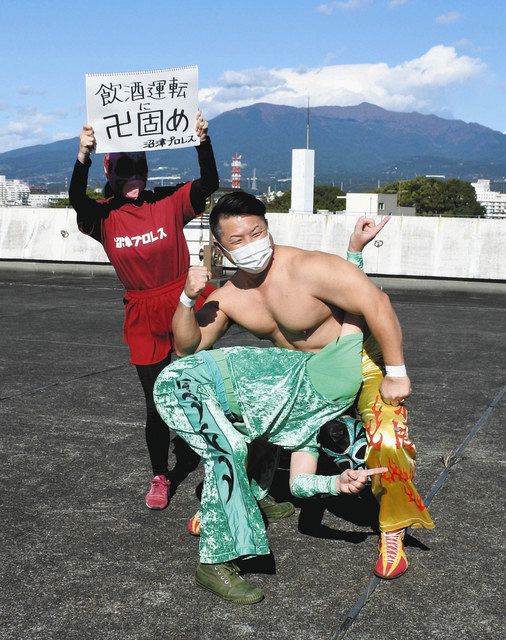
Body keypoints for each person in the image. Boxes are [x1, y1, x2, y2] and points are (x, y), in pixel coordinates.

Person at [172, 191, 435, 580]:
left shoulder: (309, 268)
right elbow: (186, 348)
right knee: (244, 415)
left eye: (256, 232)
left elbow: (376, 304)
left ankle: (393, 529)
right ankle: (235, 501)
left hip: (359, 361)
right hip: (302, 375)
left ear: (268, 229)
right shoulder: (228, 298)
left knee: (388, 439)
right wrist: (186, 298)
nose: (250, 244)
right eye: (238, 240)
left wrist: (396, 371)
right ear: (221, 250)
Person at [154, 310, 387, 603]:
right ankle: (213, 563)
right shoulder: (341, 381)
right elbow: (356, 308)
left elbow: (299, 484)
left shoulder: (310, 435)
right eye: (358, 439)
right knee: (228, 451)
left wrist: (336, 483)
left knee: (271, 431)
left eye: (350, 456)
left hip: (226, 401)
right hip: (184, 382)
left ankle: (255, 494)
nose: (343, 440)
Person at [68, 111, 218, 510]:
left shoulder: (167, 200)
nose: (132, 175)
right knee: (157, 402)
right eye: (123, 168)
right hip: (142, 311)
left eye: (138, 166)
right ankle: (160, 473)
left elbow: (209, 184)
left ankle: (220, 458)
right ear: (110, 172)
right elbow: (76, 200)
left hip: (184, 300)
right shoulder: (104, 216)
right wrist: (82, 154)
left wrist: (202, 139)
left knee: (205, 388)